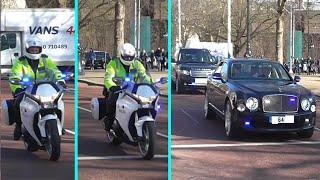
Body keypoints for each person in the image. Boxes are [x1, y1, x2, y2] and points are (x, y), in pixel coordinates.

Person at [9, 37, 65, 140]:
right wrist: (17, 87)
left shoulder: (45, 59)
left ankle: (59, 124)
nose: (34, 51)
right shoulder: (20, 62)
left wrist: (60, 80)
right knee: (17, 103)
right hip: (26, 90)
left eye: (36, 49)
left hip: (44, 89)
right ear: (27, 49)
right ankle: (18, 125)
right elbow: (14, 76)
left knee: (58, 101)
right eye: (32, 49)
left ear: (40, 49)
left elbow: (54, 71)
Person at [103, 43, 152, 137]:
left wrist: (151, 83)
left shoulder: (137, 64)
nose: (128, 59)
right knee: (113, 102)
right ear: (121, 54)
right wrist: (112, 86)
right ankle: (109, 123)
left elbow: (144, 75)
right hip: (118, 89)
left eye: (130, 57)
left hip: (134, 89)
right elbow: (108, 77)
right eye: (126, 57)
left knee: (145, 103)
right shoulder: (114, 63)